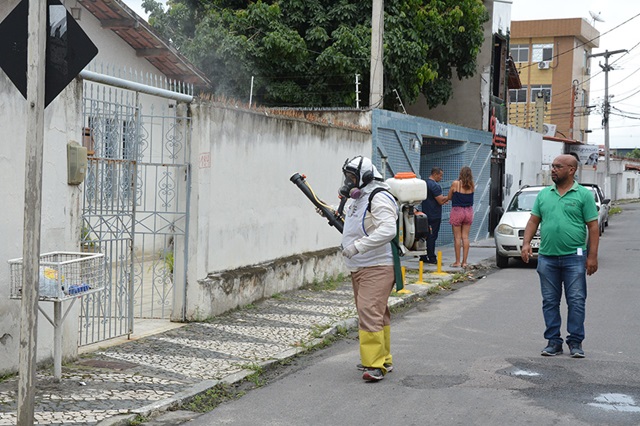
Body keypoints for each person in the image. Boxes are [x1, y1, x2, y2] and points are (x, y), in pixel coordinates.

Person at [521, 154, 599, 358]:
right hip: (547, 257)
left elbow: (593, 226)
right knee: (549, 301)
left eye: (558, 166)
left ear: (571, 170)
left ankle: (575, 342)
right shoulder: (544, 194)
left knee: (576, 300)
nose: (553, 170)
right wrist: (526, 243)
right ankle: (553, 342)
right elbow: (533, 221)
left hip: (575, 256)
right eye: (552, 166)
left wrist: (592, 257)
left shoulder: (583, 195)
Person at [339, 156, 398, 382]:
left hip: (377, 265)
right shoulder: (360, 197)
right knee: (377, 312)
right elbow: (356, 219)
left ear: (364, 177)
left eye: (352, 177)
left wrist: (357, 247)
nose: (348, 182)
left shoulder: (379, 196)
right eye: (347, 177)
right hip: (361, 266)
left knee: (368, 310)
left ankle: (374, 365)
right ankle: (383, 358)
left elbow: (388, 230)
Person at [420, 167, 449, 264]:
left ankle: (423, 256)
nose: (441, 178)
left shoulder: (425, 183)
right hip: (434, 215)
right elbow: (440, 200)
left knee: (425, 236)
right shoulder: (435, 186)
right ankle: (432, 257)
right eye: (440, 175)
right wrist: (449, 197)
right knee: (432, 236)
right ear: (435, 174)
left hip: (425, 213)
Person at [447, 166, 474, 267]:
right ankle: (465, 262)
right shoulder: (472, 185)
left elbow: (449, 197)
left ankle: (457, 261)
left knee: (457, 238)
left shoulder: (456, 184)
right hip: (469, 211)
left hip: (457, 210)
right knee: (465, 237)